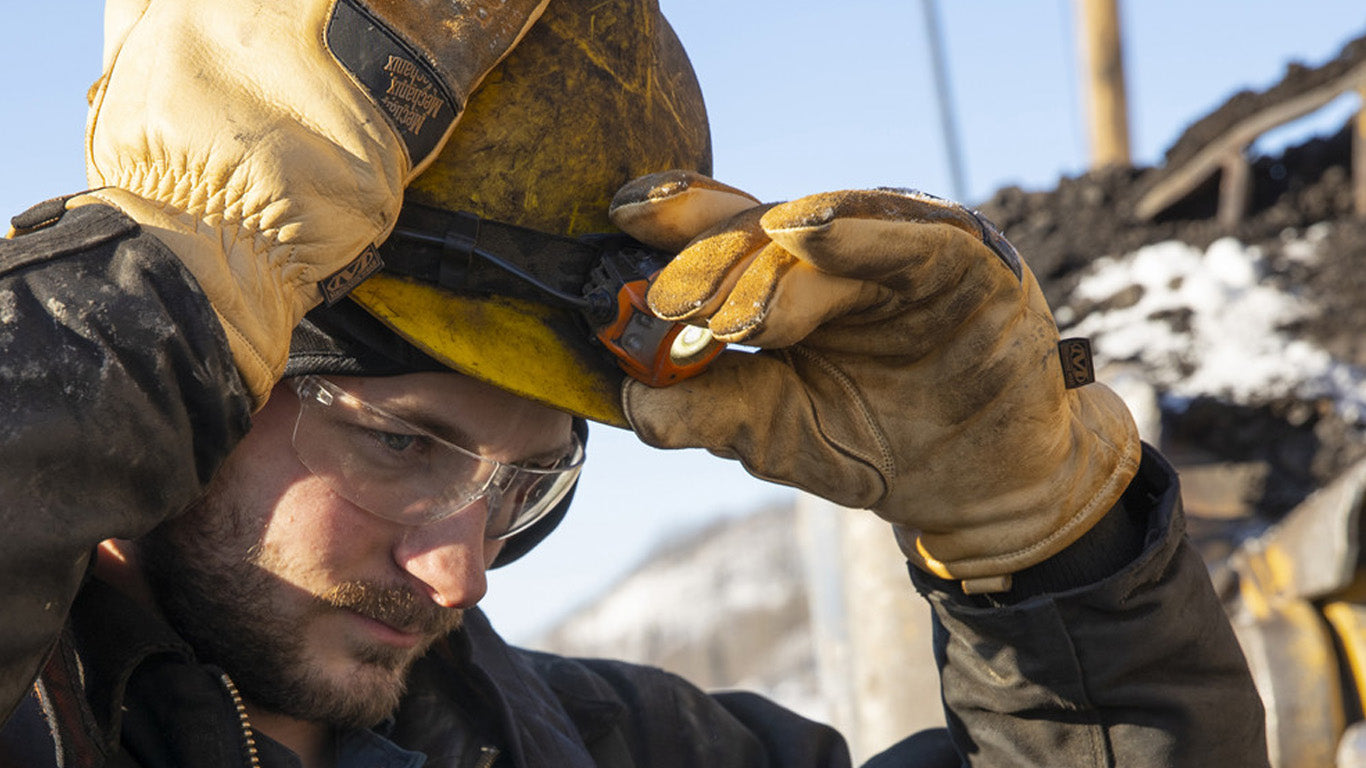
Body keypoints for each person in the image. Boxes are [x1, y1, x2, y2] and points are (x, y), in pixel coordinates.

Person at [0, 0, 1269, 765]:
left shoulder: (619, 752)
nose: (462, 572)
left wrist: (1046, 548)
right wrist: (160, 273)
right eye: (403, 444)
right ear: (202, 373)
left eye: (521, 484)